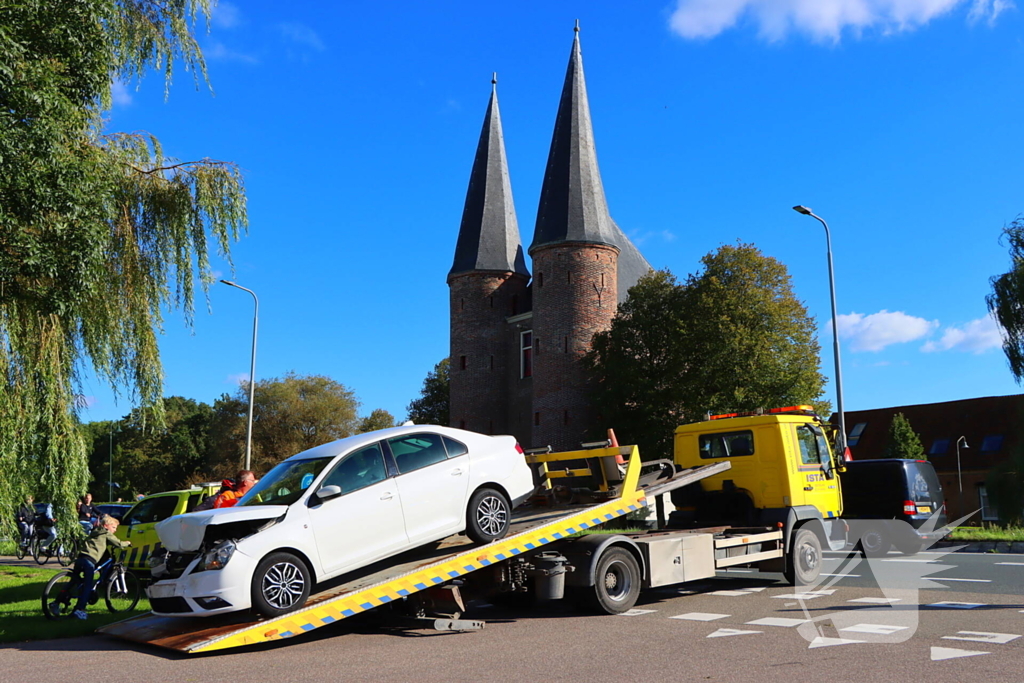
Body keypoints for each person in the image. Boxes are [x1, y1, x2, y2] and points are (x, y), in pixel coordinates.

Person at [63, 514, 131, 620]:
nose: (115, 530)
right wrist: (127, 543)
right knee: (87, 585)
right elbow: (119, 544)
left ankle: (58, 600)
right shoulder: (106, 533)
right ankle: (80, 610)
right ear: (106, 526)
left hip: (81, 558)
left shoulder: (95, 532)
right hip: (90, 560)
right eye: (113, 527)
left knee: (74, 580)